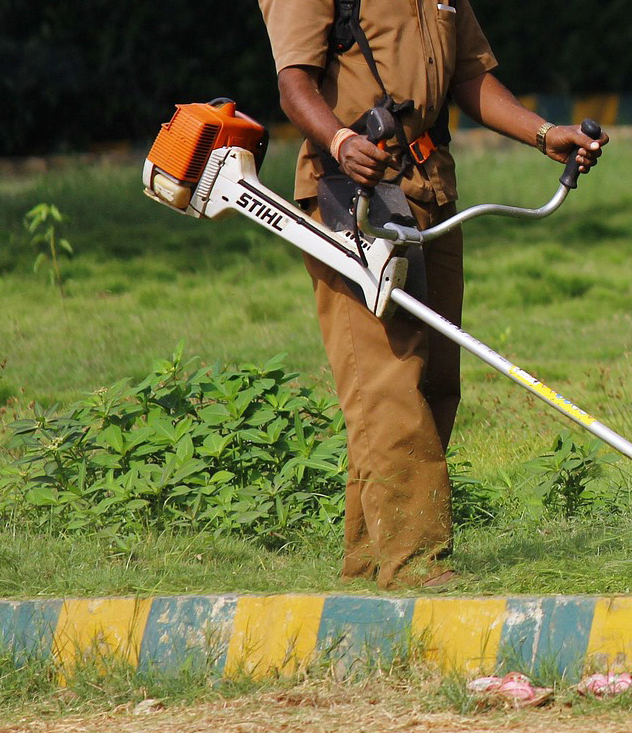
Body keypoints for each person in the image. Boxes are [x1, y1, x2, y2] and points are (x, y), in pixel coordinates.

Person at [258, 0, 605, 589]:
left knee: (435, 380)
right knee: (387, 381)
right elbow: (294, 84)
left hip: (429, 191)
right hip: (351, 195)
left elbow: (470, 76)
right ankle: (417, 564)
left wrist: (542, 133)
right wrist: (340, 140)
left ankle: (369, 563)